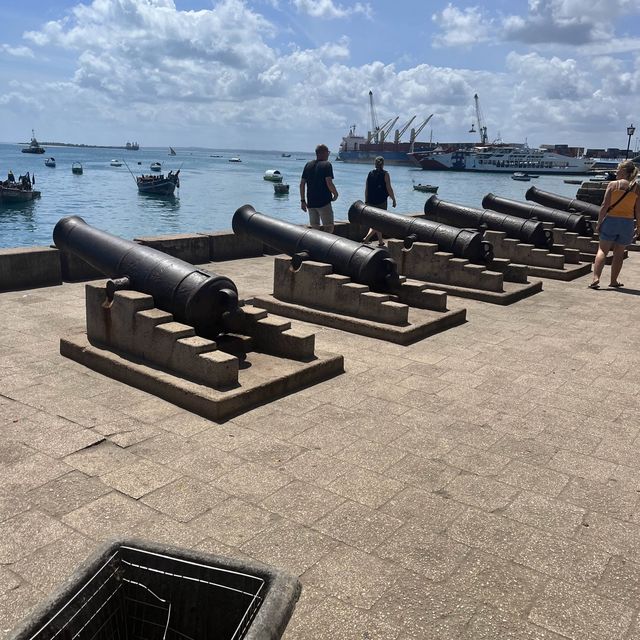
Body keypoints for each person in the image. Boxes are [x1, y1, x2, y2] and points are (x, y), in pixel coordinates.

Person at [589, 159, 640, 289]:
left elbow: (604, 206)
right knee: (619, 253)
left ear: (623, 171)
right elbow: (638, 210)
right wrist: (638, 227)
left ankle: (596, 278)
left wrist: (599, 223)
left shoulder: (612, 184)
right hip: (627, 223)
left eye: (618, 169)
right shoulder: (636, 187)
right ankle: (613, 281)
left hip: (611, 220)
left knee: (602, 250)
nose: (616, 172)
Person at [300, 143, 338, 233]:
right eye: (328, 152)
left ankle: (315, 246)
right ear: (323, 153)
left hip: (311, 203)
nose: (329, 154)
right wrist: (335, 194)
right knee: (329, 227)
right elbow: (329, 183)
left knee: (314, 229)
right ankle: (326, 246)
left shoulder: (308, 165)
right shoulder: (327, 165)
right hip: (324, 202)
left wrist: (302, 201)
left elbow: (302, 184)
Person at [362, 156, 396, 246]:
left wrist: (366, 201)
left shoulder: (370, 173)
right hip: (381, 202)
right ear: (383, 164)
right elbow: (389, 188)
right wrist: (393, 199)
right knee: (379, 222)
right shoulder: (385, 174)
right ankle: (366, 238)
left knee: (375, 221)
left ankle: (380, 241)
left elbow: (367, 188)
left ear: (375, 163)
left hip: (370, 200)